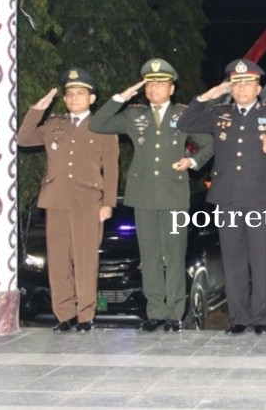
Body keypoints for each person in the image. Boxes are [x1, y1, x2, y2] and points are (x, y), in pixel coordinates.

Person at [89, 58, 213, 332]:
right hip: (143, 195)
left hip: (173, 195)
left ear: (171, 88)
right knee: (151, 256)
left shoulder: (184, 115)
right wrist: (121, 97)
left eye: (161, 84)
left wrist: (191, 163)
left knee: (174, 253)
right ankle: (155, 311)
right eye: (150, 84)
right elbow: (98, 123)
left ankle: (175, 313)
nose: (154, 89)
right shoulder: (134, 116)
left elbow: (208, 145)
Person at [175, 58, 266, 335]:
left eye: (248, 83)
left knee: (262, 262)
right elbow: (185, 121)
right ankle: (239, 319)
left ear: (259, 88)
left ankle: (262, 319)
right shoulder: (219, 113)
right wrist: (206, 96)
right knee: (233, 261)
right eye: (237, 83)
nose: (242, 89)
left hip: (262, 201)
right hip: (227, 199)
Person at [17, 68, 119, 333]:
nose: (74, 98)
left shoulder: (103, 127)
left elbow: (111, 167)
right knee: (59, 259)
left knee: (85, 261)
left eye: (80, 94)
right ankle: (65, 314)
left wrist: (108, 202)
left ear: (92, 98)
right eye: (70, 94)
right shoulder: (54, 125)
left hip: (88, 200)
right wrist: (37, 110)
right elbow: (23, 139)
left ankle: (86, 315)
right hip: (56, 199)